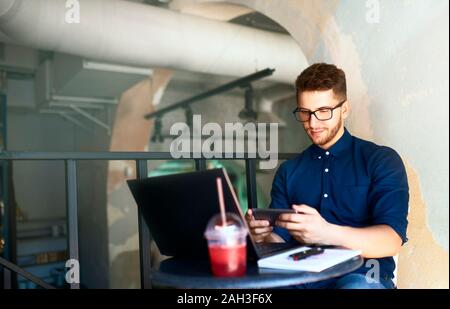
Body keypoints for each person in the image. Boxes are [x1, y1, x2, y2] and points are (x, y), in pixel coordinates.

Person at [245, 63, 409, 289]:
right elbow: (279, 243)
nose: (313, 123)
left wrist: (326, 233)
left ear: (344, 109)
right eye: (305, 113)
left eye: (323, 112)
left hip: (362, 276)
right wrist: (263, 235)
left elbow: (391, 241)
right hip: (301, 278)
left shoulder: (380, 160)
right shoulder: (289, 171)